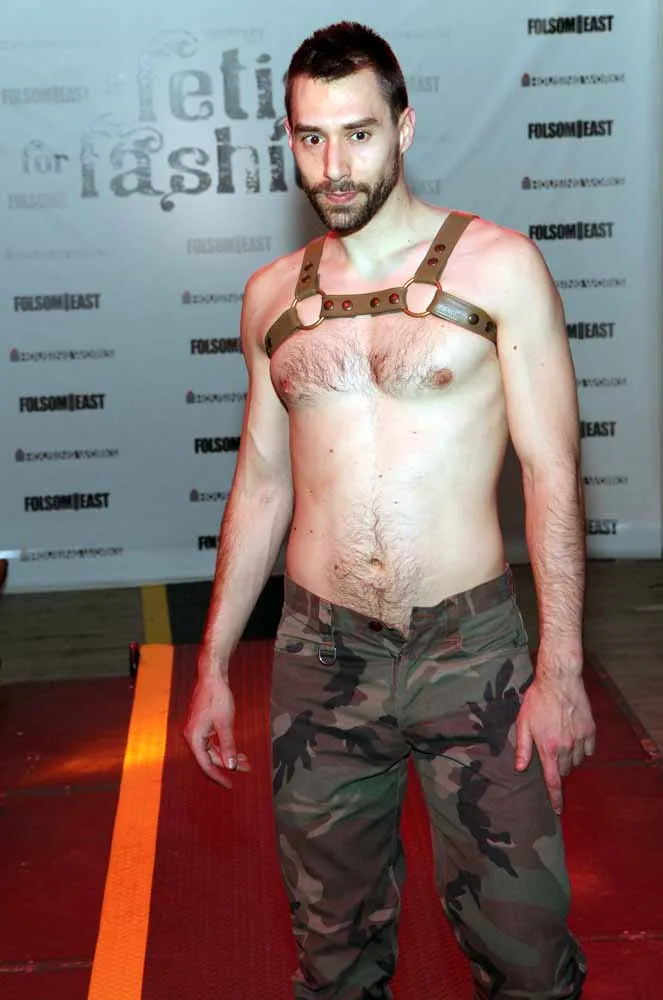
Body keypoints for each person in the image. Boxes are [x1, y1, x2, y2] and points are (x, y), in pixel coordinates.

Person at [185, 21, 596, 999]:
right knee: (332, 954)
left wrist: (562, 668)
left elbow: (552, 473)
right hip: (320, 656)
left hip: (471, 649)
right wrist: (212, 666)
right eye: (311, 138)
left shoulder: (498, 269)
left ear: (404, 129)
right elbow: (262, 484)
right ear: (289, 142)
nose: (334, 167)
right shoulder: (270, 297)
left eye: (358, 134)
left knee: (525, 952)